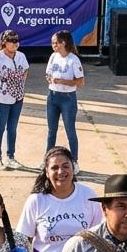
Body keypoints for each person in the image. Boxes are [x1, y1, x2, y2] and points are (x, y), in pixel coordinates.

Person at [0, 29, 30, 171]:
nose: (15, 43)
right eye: (11, 40)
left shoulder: (21, 56)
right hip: (0, 99)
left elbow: (25, 70)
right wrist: (1, 87)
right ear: (4, 42)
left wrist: (19, 84)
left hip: (18, 97)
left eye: (16, 40)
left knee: (12, 128)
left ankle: (10, 157)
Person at [45, 30, 86, 166]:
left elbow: (80, 82)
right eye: (52, 43)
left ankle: (74, 161)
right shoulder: (53, 57)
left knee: (70, 130)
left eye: (55, 43)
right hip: (52, 96)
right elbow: (48, 74)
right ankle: (47, 160)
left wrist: (62, 81)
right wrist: (50, 79)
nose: (53, 45)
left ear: (63, 43)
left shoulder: (73, 60)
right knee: (51, 130)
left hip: (67, 98)